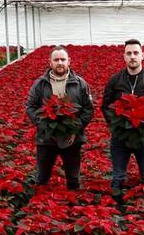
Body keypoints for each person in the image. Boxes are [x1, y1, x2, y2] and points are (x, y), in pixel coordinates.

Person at [102, 39, 144, 196]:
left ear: (142, 56)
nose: (132, 56)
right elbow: (106, 106)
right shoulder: (115, 80)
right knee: (117, 178)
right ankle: (115, 210)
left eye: (136, 53)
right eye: (129, 53)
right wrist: (116, 124)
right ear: (124, 56)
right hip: (120, 138)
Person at [25, 46, 95, 191]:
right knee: (42, 178)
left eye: (63, 59)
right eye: (56, 60)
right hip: (46, 140)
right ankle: (38, 207)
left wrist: (76, 129)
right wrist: (43, 125)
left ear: (69, 61)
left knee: (73, 179)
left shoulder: (80, 83)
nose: (60, 63)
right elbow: (30, 107)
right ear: (50, 62)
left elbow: (88, 109)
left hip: (72, 139)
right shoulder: (40, 84)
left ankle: (73, 208)